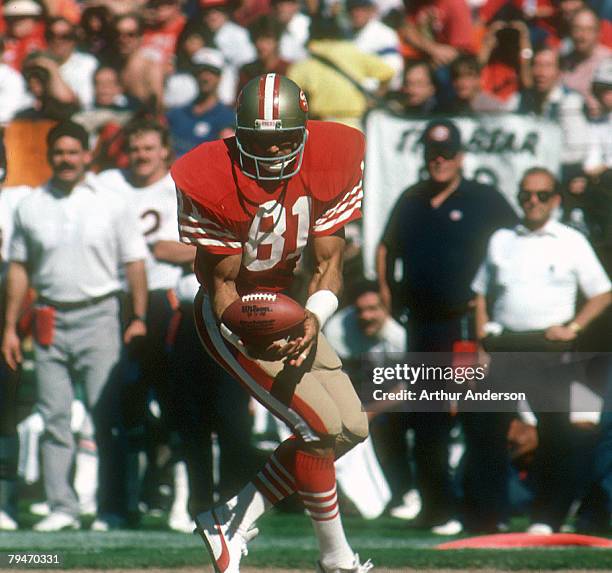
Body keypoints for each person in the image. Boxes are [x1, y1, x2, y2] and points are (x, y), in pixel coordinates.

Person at [171, 74, 372, 572]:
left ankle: (229, 521)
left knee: (351, 426)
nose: (276, 150)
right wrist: (252, 333)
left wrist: (312, 318)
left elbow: (329, 265)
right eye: (262, 141)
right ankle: (336, 558)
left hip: (290, 306)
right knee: (319, 428)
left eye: (286, 137)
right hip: (237, 316)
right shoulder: (211, 174)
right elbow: (222, 288)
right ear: (240, 136)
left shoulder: (330, 157)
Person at [1, 120, 148, 531]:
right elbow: (18, 268)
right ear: (49, 157)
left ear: (87, 155)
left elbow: (134, 262)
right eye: (58, 153)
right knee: (54, 418)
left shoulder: (112, 201)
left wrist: (137, 318)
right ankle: (62, 507)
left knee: (107, 418)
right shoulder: (31, 204)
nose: (65, 160)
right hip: (48, 317)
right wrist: (10, 327)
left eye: (72, 152)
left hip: (100, 315)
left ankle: (111, 508)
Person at [377, 119, 517, 533]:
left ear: (461, 157)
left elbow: (509, 247)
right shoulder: (412, 200)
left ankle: (486, 512)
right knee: (428, 419)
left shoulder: (483, 199)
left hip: (463, 326)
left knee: (477, 414)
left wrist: (487, 314)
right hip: (422, 327)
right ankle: (436, 509)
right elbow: (387, 246)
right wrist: (387, 292)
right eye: (432, 154)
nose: (439, 161)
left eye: (447, 154)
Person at [472, 167, 612, 533]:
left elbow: (602, 291)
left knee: (555, 436)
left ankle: (546, 518)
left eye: (542, 195)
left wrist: (574, 327)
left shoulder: (570, 241)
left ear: (556, 200)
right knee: (487, 431)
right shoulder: (501, 239)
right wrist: (481, 340)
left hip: (549, 347)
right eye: (526, 194)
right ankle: (489, 516)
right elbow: (480, 292)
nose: (532, 202)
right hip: (504, 345)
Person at [94, 118, 185, 530]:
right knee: (121, 402)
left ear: (164, 150)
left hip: (165, 300)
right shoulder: (109, 184)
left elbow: (211, 242)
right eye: (135, 149)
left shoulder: (180, 186)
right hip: (116, 298)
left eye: (149, 148)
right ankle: (126, 497)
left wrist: (173, 250)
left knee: (174, 399)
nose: (142, 157)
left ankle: (180, 494)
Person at [166, 48, 235, 157]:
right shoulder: (176, 114)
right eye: (200, 71)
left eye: (211, 72)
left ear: (220, 77)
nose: (205, 77)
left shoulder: (228, 118)